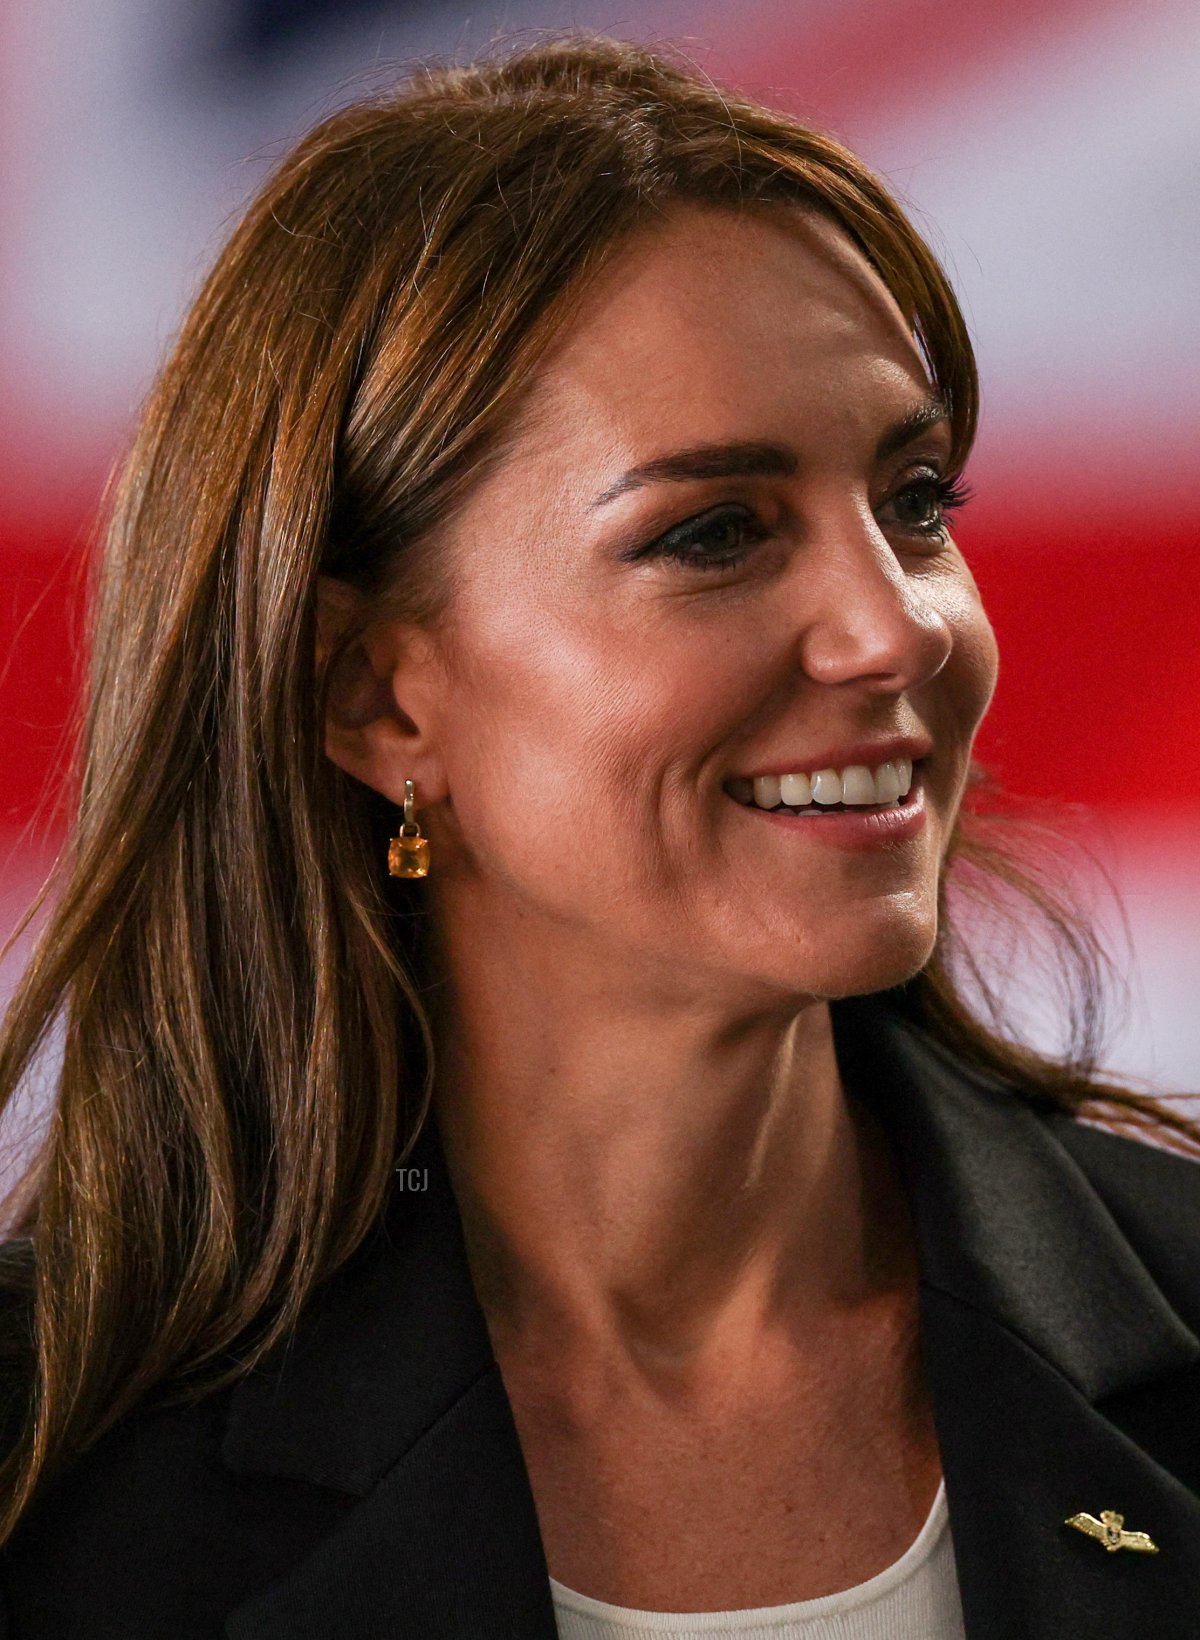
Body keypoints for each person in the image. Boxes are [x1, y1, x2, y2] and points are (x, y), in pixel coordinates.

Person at [1, 32, 1199, 1640]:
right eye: (714, 533)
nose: (897, 627)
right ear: (376, 699)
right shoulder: (44, 1466)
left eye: (917, 501)